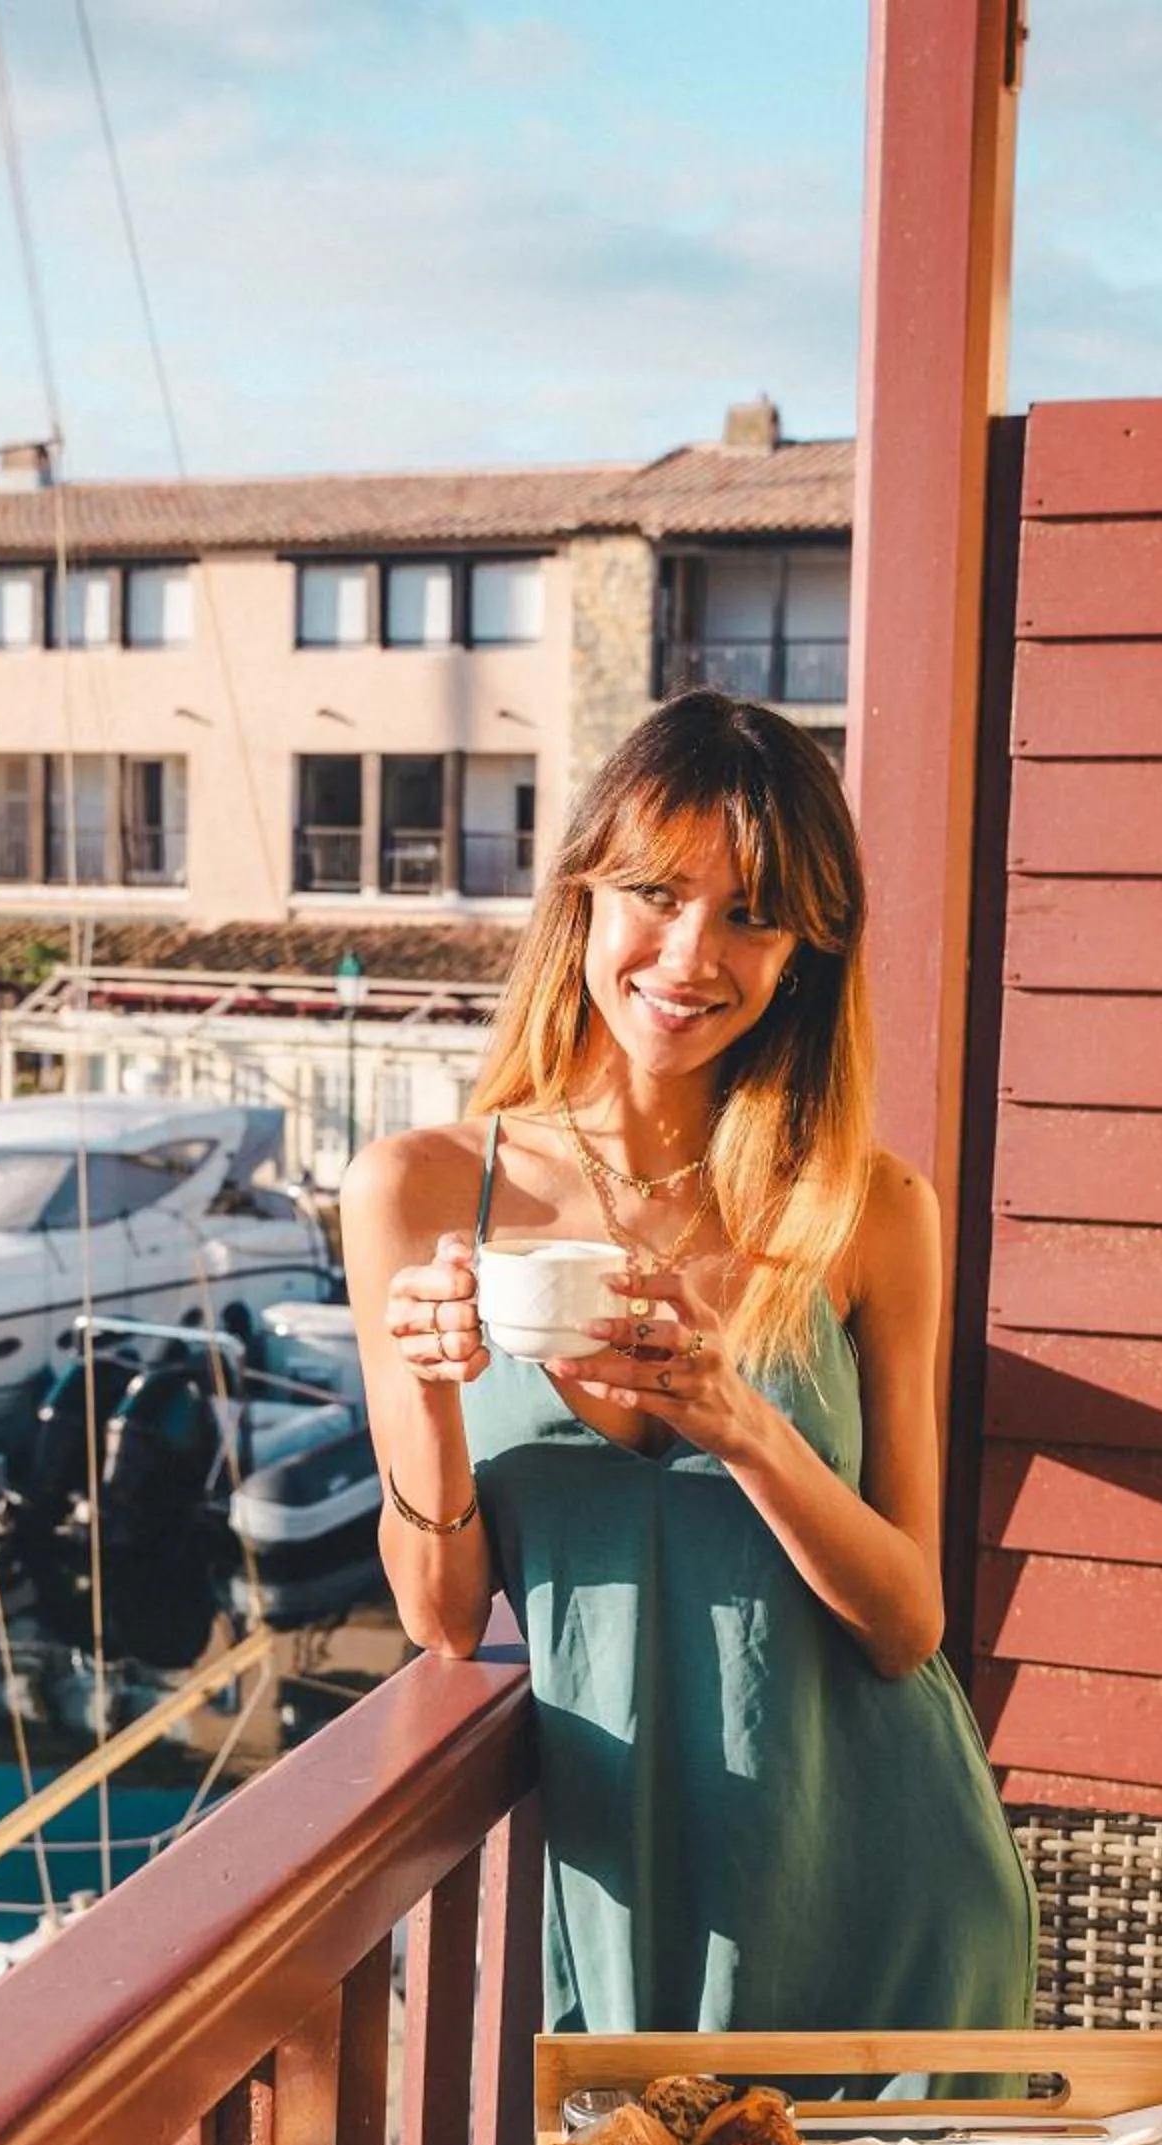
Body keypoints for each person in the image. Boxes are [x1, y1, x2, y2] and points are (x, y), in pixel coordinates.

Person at [342, 688, 1034, 2051]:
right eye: (656, 893)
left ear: (803, 955)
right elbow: (440, 1617)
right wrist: (426, 1388)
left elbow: (906, 1622)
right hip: (622, 1884)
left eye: (751, 914)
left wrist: (747, 1428)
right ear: (584, 902)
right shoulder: (415, 1191)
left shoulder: (868, 1209)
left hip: (883, 1883)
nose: (688, 952)